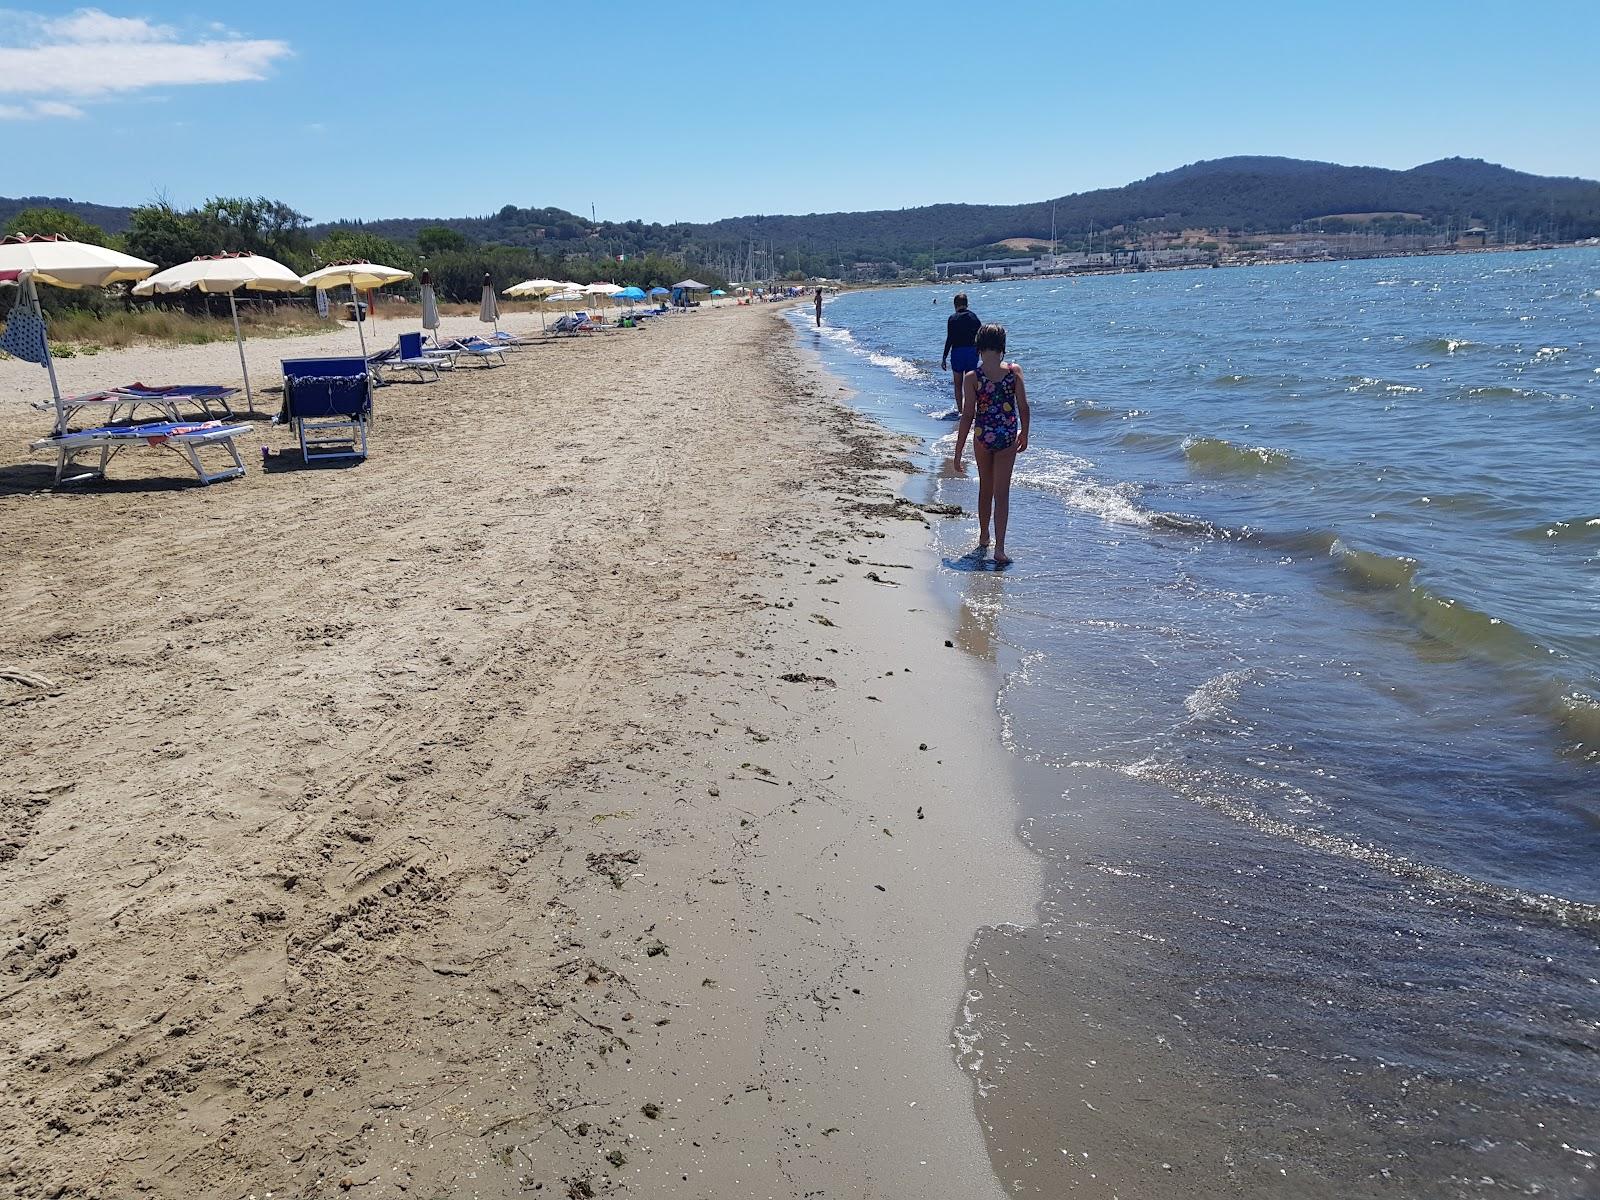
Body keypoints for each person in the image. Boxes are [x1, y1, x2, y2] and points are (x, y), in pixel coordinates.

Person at [952, 322, 1029, 566]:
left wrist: (958, 451)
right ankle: (1000, 548)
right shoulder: (1014, 372)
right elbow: (1024, 407)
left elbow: (967, 415)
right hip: (1006, 437)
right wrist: (1024, 433)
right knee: (1001, 493)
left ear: (978, 347)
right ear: (1002, 346)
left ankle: (984, 535)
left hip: (982, 436)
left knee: (985, 488)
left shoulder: (973, 377)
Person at [940, 293, 982, 411]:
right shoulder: (973, 317)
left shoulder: (952, 318)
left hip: (957, 352)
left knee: (958, 384)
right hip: (971, 352)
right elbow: (980, 336)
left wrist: (944, 357)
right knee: (972, 384)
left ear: (955, 305)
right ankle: (972, 410)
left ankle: (960, 411)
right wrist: (981, 351)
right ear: (967, 304)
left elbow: (950, 339)